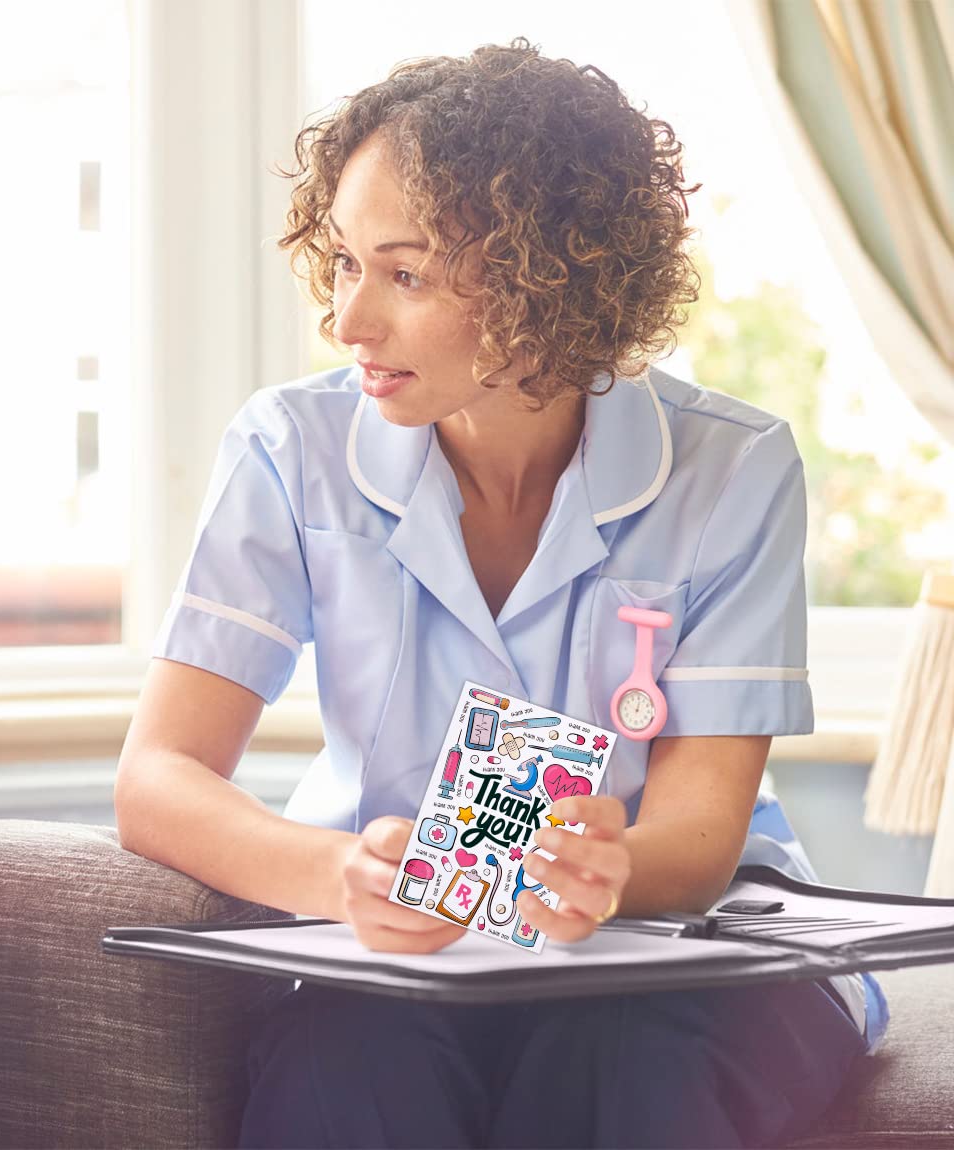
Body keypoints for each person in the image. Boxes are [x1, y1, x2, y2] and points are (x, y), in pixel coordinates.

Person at [115, 41, 882, 1148]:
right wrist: (338, 873)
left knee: (618, 1063)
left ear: (544, 278)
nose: (349, 321)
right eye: (341, 263)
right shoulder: (293, 449)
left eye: (405, 273)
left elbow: (701, 827)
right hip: (410, 949)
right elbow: (158, 776)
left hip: (687, 934)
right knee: (345, 1071)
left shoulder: (733, 469)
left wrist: (606, 869)